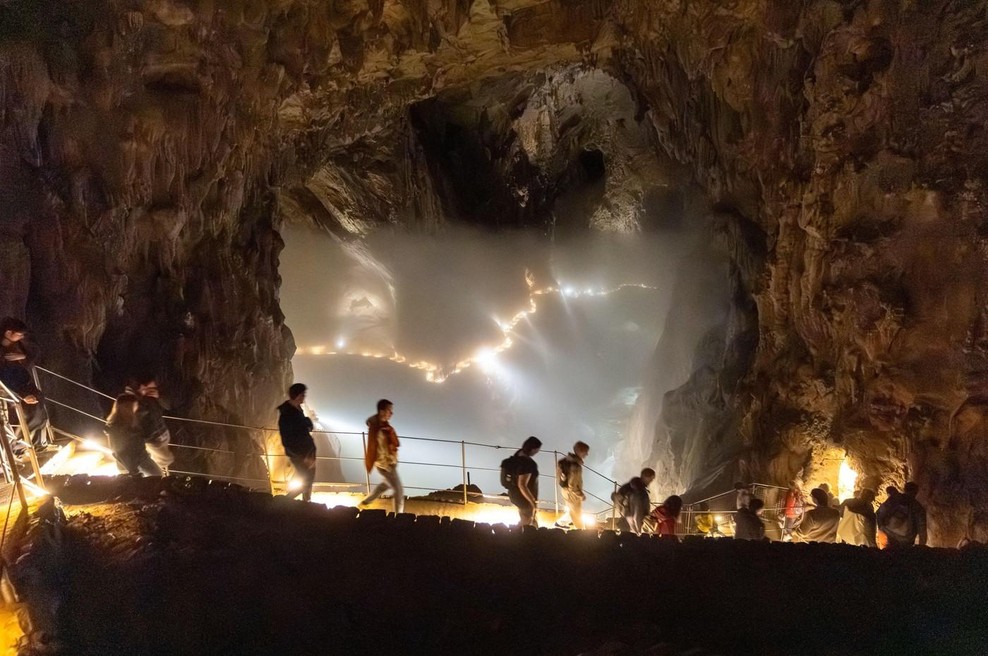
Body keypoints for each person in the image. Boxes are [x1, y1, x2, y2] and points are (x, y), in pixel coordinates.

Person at [0, 317, 49, 450]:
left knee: (39, 402)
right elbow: (3, 379)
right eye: (19, 334)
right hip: (10, 390)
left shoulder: (17, 345)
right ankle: (18, 447)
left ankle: (38, 442)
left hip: (23, 383)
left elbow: (33, 355)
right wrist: (21, 396)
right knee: (26, 413)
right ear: (9, 333)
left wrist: (22, 357)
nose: (21, 337)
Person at [361, 399, 404, 513]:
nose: (391, 413)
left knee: (385, 485)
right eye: (389, 410)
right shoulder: (377, 430)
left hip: (389, 463)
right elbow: (378, 451)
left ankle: (365, 503)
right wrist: (388, 466)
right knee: (399, 490)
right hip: (386, 465)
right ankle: (398, 517)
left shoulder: (383, 426)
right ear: (381, 411)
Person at [105, 392, 162, 476]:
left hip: (142, 458)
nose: (132, 409)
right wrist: (132, 469)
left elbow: (144, 436)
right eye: (129, 406)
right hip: (132, 464)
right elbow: (117, 452)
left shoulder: (133, 421)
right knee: (157, 477)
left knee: (157, 477)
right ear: (121, 407)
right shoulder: (115, 428)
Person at [277, 383, 316, 502]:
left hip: (307, 452)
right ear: (298, 396)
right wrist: (302, 455)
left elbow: (304, 426)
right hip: (301, 454)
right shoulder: (287, 415)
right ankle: (285, 501)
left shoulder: (297, 409)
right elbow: (289, 438)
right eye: (303, 394)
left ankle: (306, 502)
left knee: (309, 477)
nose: (304, 397)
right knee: (307, 479)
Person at [131, 377, 175, 473]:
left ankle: (165, 477)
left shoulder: (151, 396)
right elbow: (139, 417)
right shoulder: (134, 402)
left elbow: (168, 406)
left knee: (164, 461)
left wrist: (159, 396)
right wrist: (139, 397)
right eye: (143, 387)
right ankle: (164, 479)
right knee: (164, 461)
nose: (146, 388)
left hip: (163, 432)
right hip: (152, 438)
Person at [501, 436, 542, 526]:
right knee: (526, 521)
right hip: (524, 497)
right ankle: (518, 536)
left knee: (525, 518)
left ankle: (522, 534)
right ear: (532, 449)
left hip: (514, 494)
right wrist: (532, 501)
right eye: (537, 449)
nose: (537, 452)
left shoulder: (516, 456)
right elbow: (522, 485)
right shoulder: (528, 464)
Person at [877, 482, 927, 547]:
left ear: (904, 489)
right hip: (906, 540)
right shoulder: (918, 507)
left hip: (889, 535)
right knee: (902, 556)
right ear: (916, 492)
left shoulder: (893, 499)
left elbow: (880, 513)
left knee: (887, 555)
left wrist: (881, 528)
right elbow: (922, 529)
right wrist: (921, 546)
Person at [556, 441, 589, 529]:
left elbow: (558, 476)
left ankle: (560, 522)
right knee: (577, 515)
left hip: (564, 490)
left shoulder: (562, 461)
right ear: (580, 451)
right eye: (586, 452)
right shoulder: (576, 466)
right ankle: (582, 534)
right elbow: (572, 486)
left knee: (572, 510)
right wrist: (581, 495)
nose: (587, 454)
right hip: (572, 494)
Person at [614, 468, 655, 534]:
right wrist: (638, 532)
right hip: (632, 523)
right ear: (645, 477)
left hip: (627, 521)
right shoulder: (638, 492)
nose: (651, 481)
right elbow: (637, 515)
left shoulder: (633, 487)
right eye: (651, 478)